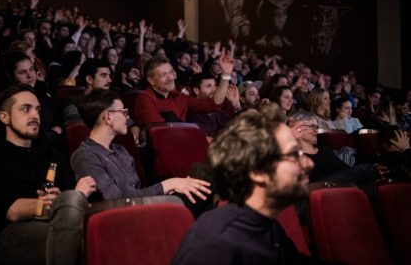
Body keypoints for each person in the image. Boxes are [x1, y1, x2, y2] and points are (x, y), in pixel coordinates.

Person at [172, 104, 314, 264]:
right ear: (258, 172)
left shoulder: (267, 225)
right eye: (294, 154)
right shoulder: (214, 244)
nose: (309, 163)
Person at [0, 84, 97, 265]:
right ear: (4, 117)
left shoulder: (53, 156)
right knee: (77, 222)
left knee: (87, 227)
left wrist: (62, 201)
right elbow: (13, 210)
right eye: (26, 109)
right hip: (12, 235)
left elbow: (70, 204)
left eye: (37, 110)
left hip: (59, 225)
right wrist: (62, 202)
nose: (35, 115)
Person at [70, 89, 211, 208]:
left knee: (202, 186)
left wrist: (171, 188)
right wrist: (168, 184)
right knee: (200, 192)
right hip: (122, 219)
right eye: (124, 112)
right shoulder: (86, 156)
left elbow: (137, 192)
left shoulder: (120, 150)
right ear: (108, 117)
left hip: (140, 208)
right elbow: (116, 200)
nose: (127, 117)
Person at [134, 52, 233, 126]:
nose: (170, 77)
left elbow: (212, 105)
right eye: (164, 74)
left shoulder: (179, 97)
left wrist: (225, 75)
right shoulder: (145, 98)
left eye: (171, 72)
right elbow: (160, 129)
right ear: (151, 80)